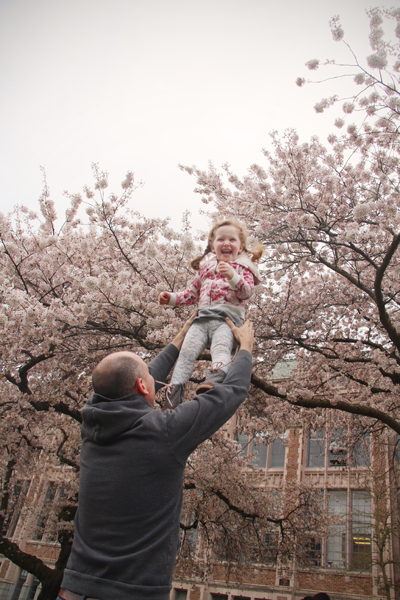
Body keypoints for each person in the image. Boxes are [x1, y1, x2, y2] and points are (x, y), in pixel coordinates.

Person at [58, 314, 255, 600]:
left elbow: (128, 379)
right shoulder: (164, 431)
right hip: (133, 592)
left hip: (73, 589)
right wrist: (246, 348)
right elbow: (230, 393)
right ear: (142, 386)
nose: (155, 379)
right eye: (151, 379)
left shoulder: (93, 421)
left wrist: (181, 338)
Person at [159, 218, 262, 408]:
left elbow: (246, 292)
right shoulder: (206, 267)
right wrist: (171, 298)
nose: (226, 243)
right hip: (202, 319)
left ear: (240, 247)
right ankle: (172, 395)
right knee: (186, 354)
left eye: (232, 240)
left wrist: (232, 276)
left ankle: (214, 381)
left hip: (226, 320)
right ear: (213, 247)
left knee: (221, 349)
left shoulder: (244, 267)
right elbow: (191, 293)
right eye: (221, 239)